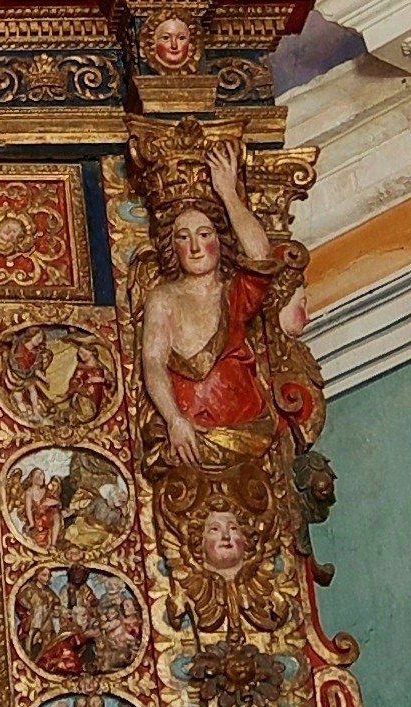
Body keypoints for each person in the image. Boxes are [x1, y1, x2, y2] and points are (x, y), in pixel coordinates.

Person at [136, 147, 323, 478]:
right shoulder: (162, 298)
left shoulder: (232, 292)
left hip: (244, 422)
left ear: (219, 241)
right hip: (189, 426)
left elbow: (260, 256)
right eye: (183, 237)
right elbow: (153, 362)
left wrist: (228, 193)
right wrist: (174, 419)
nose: (194, 247)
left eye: (204, 235)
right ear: (172, 246)